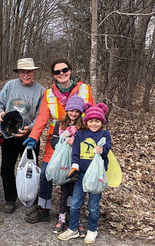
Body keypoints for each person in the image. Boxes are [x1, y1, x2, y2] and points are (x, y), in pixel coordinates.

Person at [23, 58, 94, 232]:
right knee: (46, 173)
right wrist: (33, 136)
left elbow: (92, 114)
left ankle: (70, 210)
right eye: (57, 72)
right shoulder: (49, 94)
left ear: (70, 70)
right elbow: (42, 117)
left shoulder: (84, 90)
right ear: (53, 75)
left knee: (72, 176)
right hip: (55, 138)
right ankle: (44, 207)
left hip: (78, 140)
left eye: (65, 70)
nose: (62, 74)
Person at [0, 57, 45, 213]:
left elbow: (42, 115)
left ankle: (31, 198)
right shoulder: (10, 86)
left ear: (33, 72)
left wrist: (30, 128)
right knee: (6, 169)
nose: (26, 75)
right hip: (9, 134)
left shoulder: (41, 91)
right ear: (19, 73)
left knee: (31, 169)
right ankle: (10, 199)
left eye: (29, 72)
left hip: (29, 136)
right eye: (23, 72)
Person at [58, 102, 111, 244]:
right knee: (75, 203)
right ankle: (73, 228)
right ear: (87, 121)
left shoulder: (104, 134)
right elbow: (75, 151)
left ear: (102, 122)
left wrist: (103, 150)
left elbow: (107, 147)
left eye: (97, 121)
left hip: (96, 176)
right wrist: (75, 166)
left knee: (93, 205)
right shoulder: (80, 134)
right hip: (81, 174)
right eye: (91, 121)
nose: (94, 124)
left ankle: (92, 230)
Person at [48, 96, 85, 234]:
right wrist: (63, 141)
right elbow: (53, 141)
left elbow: (86, 144)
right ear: (67, 110)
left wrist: (74, 143)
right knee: (64, 190)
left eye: (77, 111)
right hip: (63, 163)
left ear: (80, 112)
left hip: (78, 163)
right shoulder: (60, 124)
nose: (74, 114)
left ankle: (76, 218)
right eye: (71, 110)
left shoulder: (83, 126)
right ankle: (62, 218)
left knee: (77, 192)